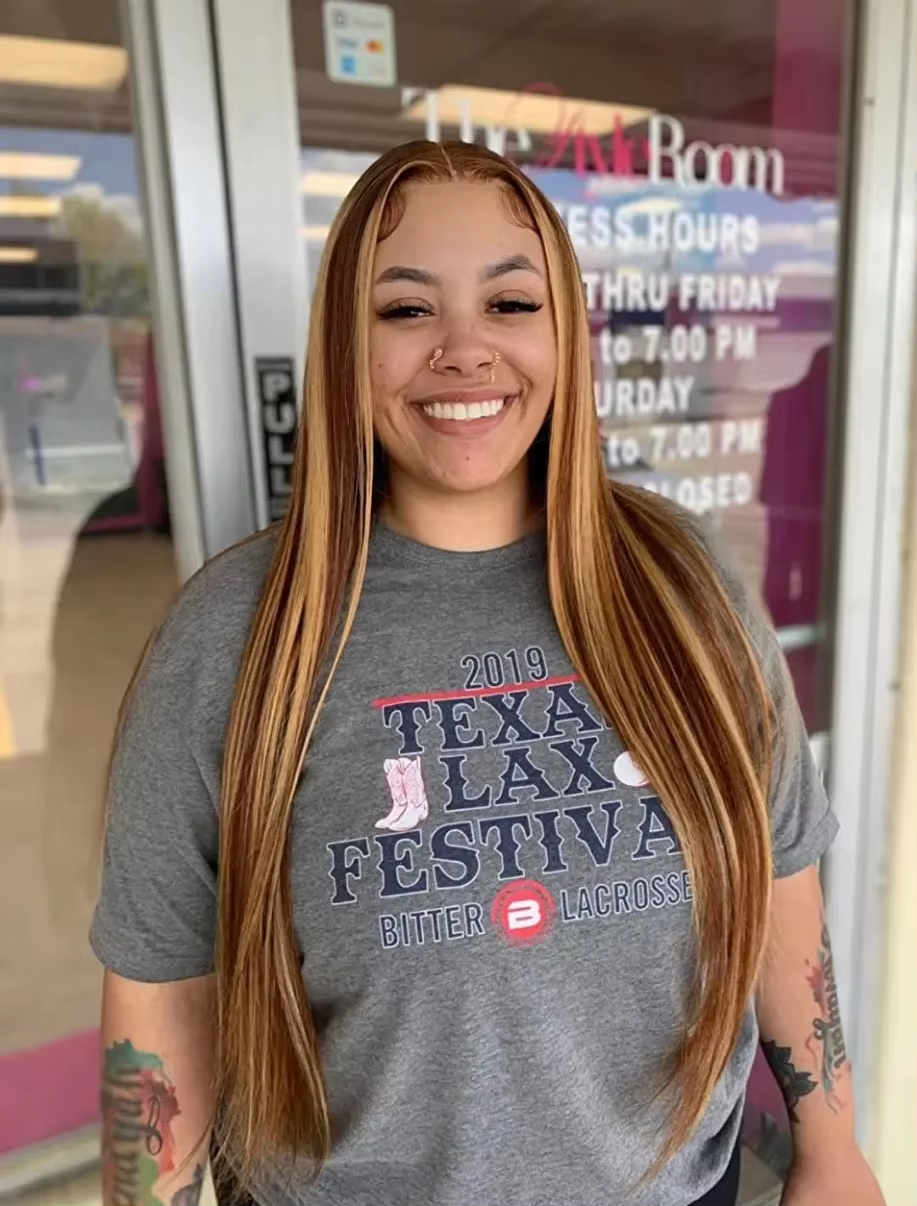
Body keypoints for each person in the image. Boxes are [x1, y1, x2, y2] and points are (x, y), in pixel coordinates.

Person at [91, 141, 884, 1206]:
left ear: (563, 336)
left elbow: (779, 882)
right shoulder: (234, 635)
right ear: (346, 346)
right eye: (406, 309)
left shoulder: (683, 585)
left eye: (510, 303)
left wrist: (829, 1147)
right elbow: (162, 992)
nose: (465, 351)